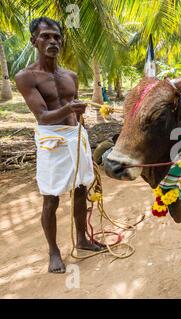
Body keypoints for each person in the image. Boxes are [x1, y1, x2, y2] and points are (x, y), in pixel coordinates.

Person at [15, 17, 103, 274]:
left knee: (80, 190)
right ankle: (53, 252)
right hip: (52, 141)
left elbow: (75, 108)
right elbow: (42, 116)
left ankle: (83, 239)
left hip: (76, 137)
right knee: (51, 198)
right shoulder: (26, 77)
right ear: (34, 41)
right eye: (45, 37)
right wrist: (69, 108)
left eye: (56, 37)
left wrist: (81, 125)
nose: (52, 41)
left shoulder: (70, 76)